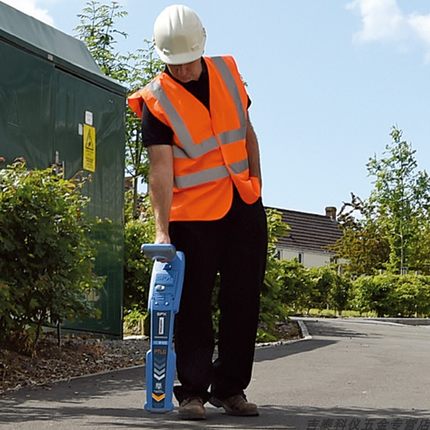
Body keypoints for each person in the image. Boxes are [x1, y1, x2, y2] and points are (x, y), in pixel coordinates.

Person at [128, 4, 268, 421]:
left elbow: (247, 134)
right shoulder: (155, 101)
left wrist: (257, 187)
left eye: (189, 61)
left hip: (242, 204)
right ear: (163, 56)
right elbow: (159, 170)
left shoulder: (227, 72)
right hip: (192, 216)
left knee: (243, 299)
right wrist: (162, 230)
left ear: (201, 48)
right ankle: (192, 392)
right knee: (192, 305)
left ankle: (231, 389)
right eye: (176, 63)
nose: (185, 70)